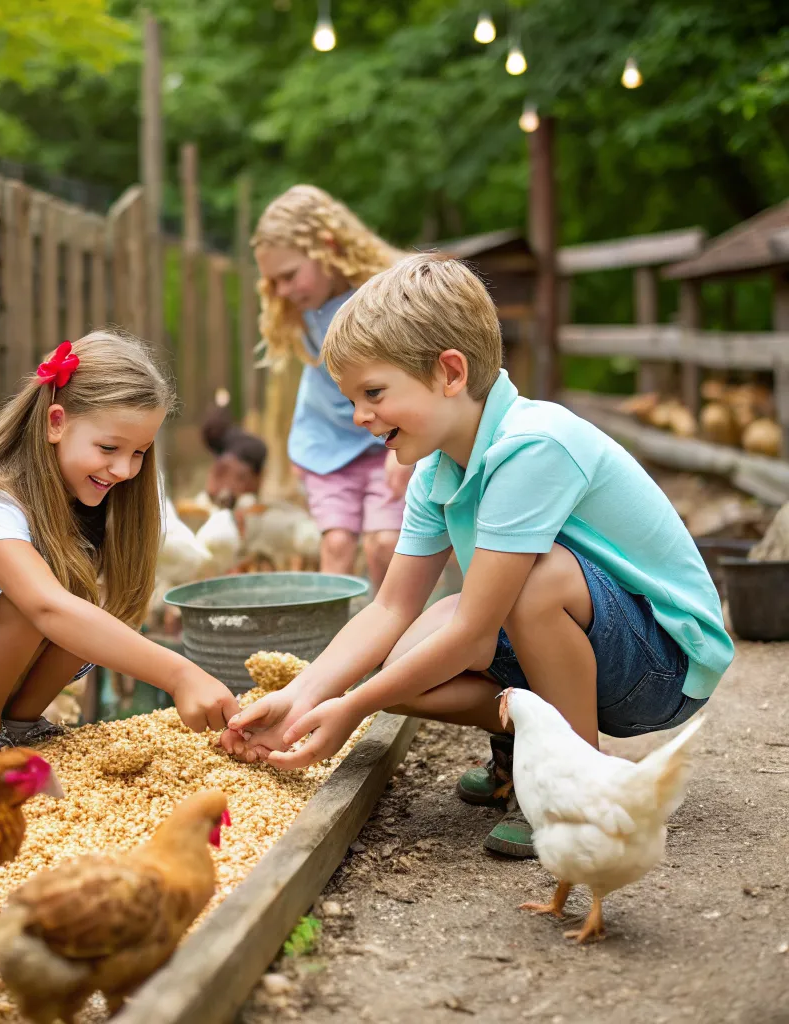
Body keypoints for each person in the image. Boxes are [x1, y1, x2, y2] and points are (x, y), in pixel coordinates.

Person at [222, 254, 733, 858]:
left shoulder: (533, 446)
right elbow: (389, 608)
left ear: (450, 372)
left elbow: (472, 634)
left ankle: (572, 782)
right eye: (353, 399)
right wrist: (305, 695)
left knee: (530, 585)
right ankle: (529, 738)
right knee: (396, 656)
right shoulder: (437, 465)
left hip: (664, 663)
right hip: (596, 645)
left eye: (374, 393)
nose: (360, 417)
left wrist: (350, 708)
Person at [0, 332, 240, 758]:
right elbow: (43, 607)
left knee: (77, 596)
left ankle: (18, 725)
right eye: (110, 448)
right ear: (56, 422)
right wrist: (180, 675)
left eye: (140, 453)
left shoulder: (69, 489)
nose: (124, 469)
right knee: (42, 598)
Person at [252, 185, 412, 588]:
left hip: (388, 437)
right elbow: (313, 385)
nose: (283, 291)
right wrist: (303, 445)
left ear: (327, 246)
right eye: (274, 282)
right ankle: (331, 645)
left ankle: (391, 638)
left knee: (384, 545)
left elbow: (417, 374)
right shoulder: (300, 307)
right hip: (328, 442)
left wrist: (408, 445)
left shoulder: (387, 295)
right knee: (337, 545)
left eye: (289, 275)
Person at [201, 399, 268, 508]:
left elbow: (219, 476)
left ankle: (230, 500)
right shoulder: (231, 438)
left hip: (246, 456)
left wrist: (212, 491)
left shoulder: (228, 454)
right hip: (258, 450)